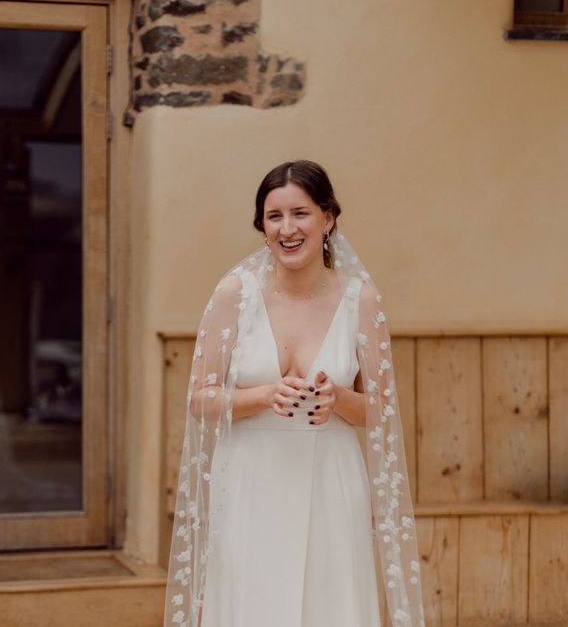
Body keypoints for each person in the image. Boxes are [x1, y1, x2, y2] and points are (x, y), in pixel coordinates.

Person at [164, 161, 425, 627]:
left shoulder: (360, 300)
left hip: (332, 477)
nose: (287, 229)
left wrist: (338, 399)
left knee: (330, 602)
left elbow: (380, 410)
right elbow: (199, 399)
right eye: (274, 216)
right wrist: (262, 395)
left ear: (328, 218)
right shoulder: (234, 295)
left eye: (300, 214)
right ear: (262, 227)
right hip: (250, 479)